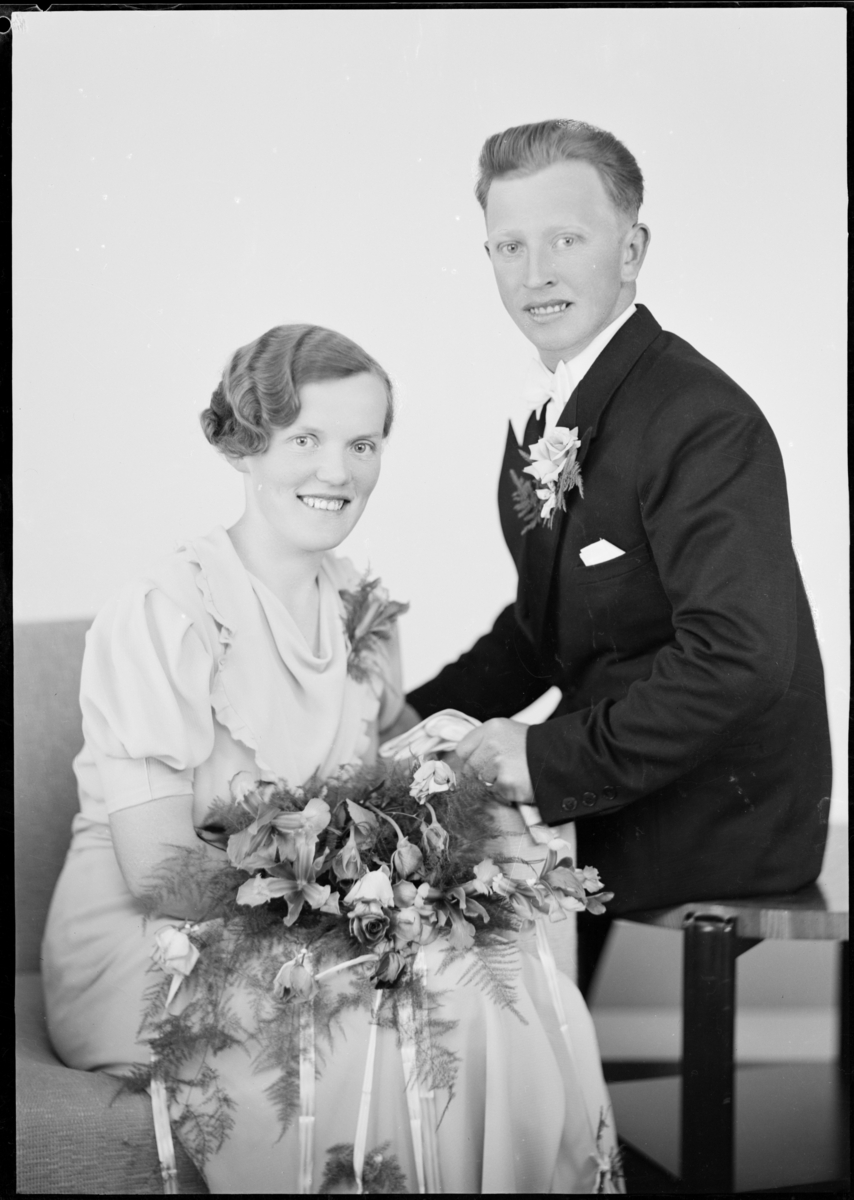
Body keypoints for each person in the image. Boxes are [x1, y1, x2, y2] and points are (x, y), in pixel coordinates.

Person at [42, 323, 622, 1194]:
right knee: (401, 1004)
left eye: (363, 444)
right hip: (154, 949)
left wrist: (444, 850)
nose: (337, 472)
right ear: (246, 444)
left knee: (491, 980)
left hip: (302, 924)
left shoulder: (360, 606)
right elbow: (162, 874)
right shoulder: (166, 612)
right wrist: (356, 913)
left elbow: (393, 780)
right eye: (305, 438)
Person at [406, 119, 832, 995]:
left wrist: (540, 760)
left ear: (631, 250)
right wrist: (400, 725)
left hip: (714, 809)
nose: (536, 272)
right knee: (392, 871)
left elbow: (741, 658)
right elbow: (544, 629)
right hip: (618, 782)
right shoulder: (545, 417)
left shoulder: (699, 418)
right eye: (510, 246)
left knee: (426, 916)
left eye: (566, 239)